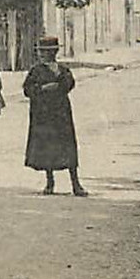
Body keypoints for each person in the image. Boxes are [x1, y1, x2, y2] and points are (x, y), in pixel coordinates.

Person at [24, 37, 87, 196]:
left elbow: (69, 84)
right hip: (43, 114)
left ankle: (75, 183)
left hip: (61, 113)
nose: (42, 55)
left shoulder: (62, 69)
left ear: (54, 52)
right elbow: (28, 89)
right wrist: (43, 88)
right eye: (41, 51)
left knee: (68, 146)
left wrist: (59, 85)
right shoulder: (36, 70)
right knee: (47, 147)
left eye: (46, 51)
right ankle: (49, 182)